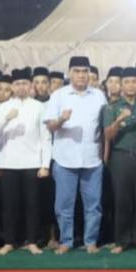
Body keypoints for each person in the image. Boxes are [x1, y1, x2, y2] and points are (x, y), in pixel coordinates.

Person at [44, 56, 107, 255]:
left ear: (89, 73)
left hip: (92, 159)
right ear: (70, 73)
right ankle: (66, 241)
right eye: (77, 71)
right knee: (64, 205)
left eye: (85, 71)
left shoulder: (99, 96)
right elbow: (49, 126)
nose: (81, 75)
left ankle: (90, 241)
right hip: (65, 159)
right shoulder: (59, 95)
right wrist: (61, 120)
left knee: (94, 205)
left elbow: (104, 127)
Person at [0, 67, 52, 256]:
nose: (21, 87)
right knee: (9, 206)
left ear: (30, 85)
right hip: (8, 163)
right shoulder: (4, 107)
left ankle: (32, 241)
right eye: (17, 84)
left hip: (32, 164)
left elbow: (45, 137)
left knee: (32, 205)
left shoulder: (38, 107)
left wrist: (45, 165)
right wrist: (6, 119)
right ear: (12, 87)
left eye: (24, 83)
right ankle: (9, 241)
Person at [102, 67, 136, 254]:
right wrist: (119, 120)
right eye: (127, 82)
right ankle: (121, 241)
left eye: (134, 82)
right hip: (120, 157)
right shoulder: (111, 107)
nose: (131, 85)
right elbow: (107, 135)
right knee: (121, 199)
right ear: (121, 85)